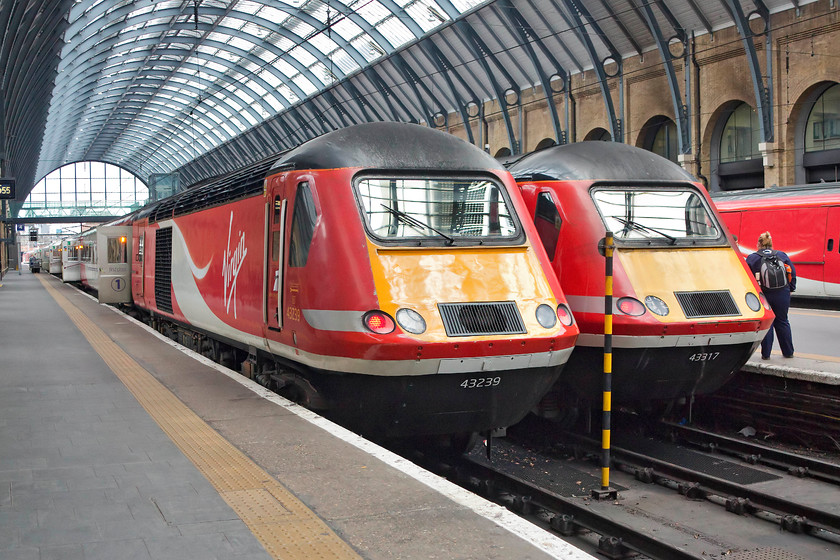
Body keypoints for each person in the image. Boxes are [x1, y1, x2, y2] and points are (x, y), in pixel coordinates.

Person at [746, 231, 796, 359]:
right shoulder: (782, 255)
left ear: (759, 243)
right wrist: (790, 289)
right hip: (782, 293)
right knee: (782, 321)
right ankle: (788, 352)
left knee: (768, 323)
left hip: (764, 294)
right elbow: (792, 273)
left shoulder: (753, 258)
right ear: (771, 244)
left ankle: (766, 354)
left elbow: (747, 278)